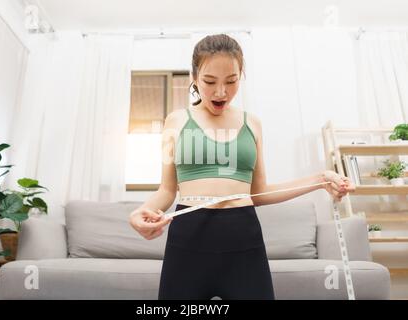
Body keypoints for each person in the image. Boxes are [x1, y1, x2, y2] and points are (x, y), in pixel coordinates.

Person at [129, 34, 355, 300]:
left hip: (243, 238)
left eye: (231, 81)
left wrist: (321, 179)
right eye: (209, 82)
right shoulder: (175, 121)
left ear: (241, 76)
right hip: (188, 238)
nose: (221, 92)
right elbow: (167, 190)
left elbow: (260, 192)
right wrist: (141, 212)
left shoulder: (252, 124)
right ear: (193, 77)